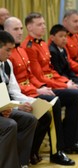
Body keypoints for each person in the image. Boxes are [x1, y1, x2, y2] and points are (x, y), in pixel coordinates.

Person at [21, 12, 78, 153]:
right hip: (43, 86)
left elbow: (51, 71)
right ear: (30, 27)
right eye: (40, 24)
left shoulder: (43, 44)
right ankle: (61, 147)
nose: (44, 27)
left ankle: (73, 140)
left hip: (51, 83)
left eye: (44, 23)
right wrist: (64, 85)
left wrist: (66, 82)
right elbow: (39, 77)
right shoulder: (29, 47)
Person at [4, 17, 75, 165]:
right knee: (52, 106)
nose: (19, 32)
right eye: (15, 29)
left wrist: (40, 88)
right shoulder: (25, 48)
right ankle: (55, 151)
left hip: (24, 93)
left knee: (48, 111)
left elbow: (30, 77)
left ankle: (32, 152)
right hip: (16, 97)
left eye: (20, 29)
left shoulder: (21, 51)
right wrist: (35, 92)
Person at [0, 30, 38, 168]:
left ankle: (21, 163)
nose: (10, 54)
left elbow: (13, 91)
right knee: (10, 125)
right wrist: (14, 106)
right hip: (2, 108)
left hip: (4, 107)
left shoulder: (7, 64)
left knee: (30, 120)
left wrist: (25, 103)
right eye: (7, 50)